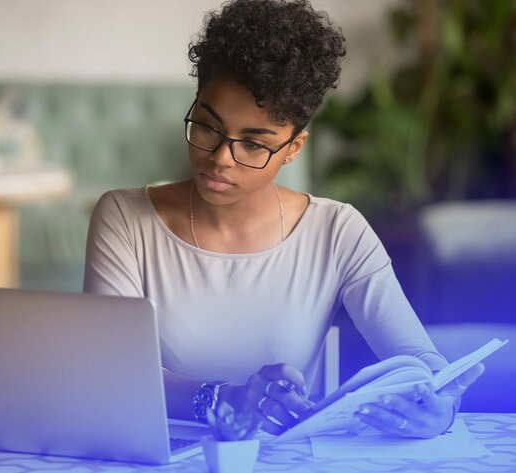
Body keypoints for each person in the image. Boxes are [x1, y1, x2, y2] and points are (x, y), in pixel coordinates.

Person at [83, 0, 484, 438]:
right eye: (207, 127)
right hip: (153, 455)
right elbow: (108, 370)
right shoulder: (124, 219)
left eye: (254, 144)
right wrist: (217, 399)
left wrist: (440, 407)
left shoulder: (337, 232)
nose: (220, 158)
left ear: (294, 148)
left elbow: (421, 361)